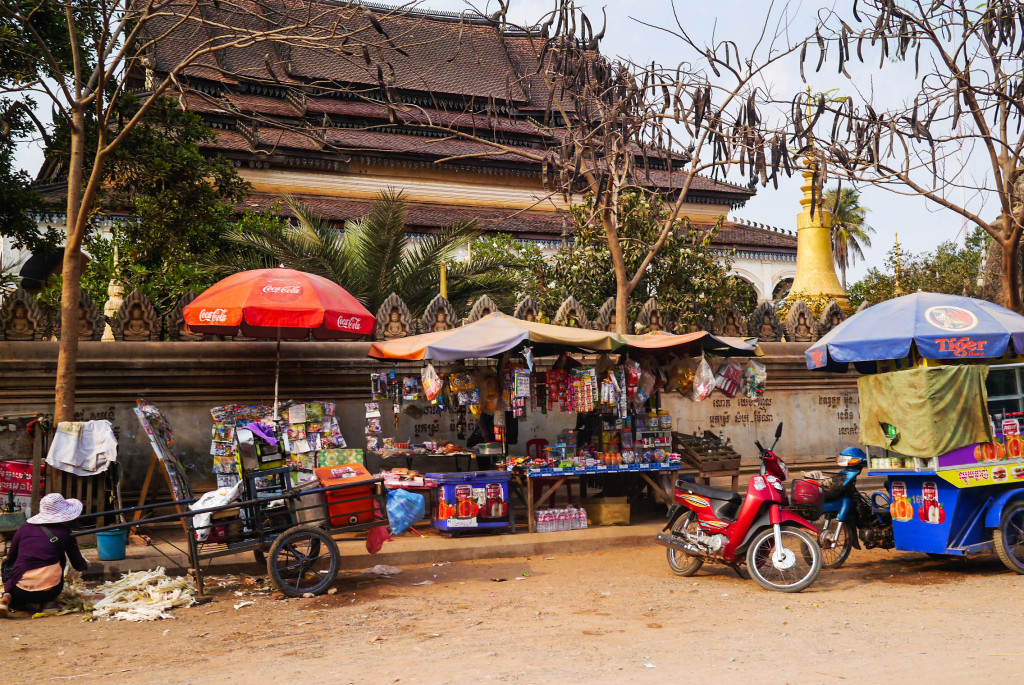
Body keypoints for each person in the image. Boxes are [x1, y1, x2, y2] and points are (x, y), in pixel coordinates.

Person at [1, 493, 89, 618]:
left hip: (19, 590)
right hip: (50, 590)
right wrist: (85, 566)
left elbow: (11, 558)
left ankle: (7, 597)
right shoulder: (65, 533)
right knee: (56, 566)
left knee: (18, 572)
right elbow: (78, 564)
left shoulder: (23, 529)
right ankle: (49, 603)